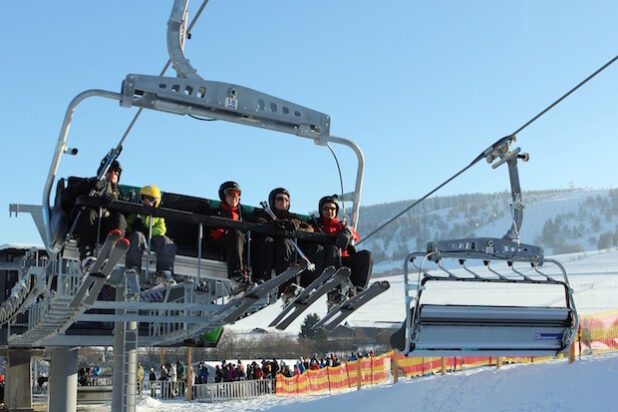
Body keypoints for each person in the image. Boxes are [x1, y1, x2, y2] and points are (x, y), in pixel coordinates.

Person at [252, 188, 322, 301]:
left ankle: (288, 287)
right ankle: (264, 282)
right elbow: (260, 224)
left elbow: (309, 228)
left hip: (286, 253)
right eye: (280, 199)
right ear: (272, 201)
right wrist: (274, 225)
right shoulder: (265, 215)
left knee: (286, 243)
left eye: (286, 200)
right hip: (269, 252)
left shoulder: (293, 218)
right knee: (272, 241)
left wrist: (294, 225)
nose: (283, 202)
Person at [313, 195, 373, 306]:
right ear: (321, 210)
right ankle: (333, 291)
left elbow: (354, 234)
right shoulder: (316, 225)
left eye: (332, 209)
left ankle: (358, 290)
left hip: (343, 260)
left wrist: (347, 233)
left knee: (366, 255)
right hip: (327, 262)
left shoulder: (341, 225)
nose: (329, 211)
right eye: (326, 209)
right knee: (332, 249)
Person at [71, 159, 127, 260]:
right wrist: (89, 185)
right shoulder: (91, 184)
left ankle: (113, 243)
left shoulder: (119, 194)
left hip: (106, 228)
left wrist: (115, 201)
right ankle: (87, 252)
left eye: (116, 172)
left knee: (119, 217)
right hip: (91, 227)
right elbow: (68, 195)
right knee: (89, 213)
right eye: (110, 170)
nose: (113, 174)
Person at [125, 185, 177, 285]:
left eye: (151, 199)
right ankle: (133, 267)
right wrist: (133, 227)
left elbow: (161, 229)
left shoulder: (158, 214)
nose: (147, 201)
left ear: (156, 201)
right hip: (140, 236)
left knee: (166, 241)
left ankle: (164, 270)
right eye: (144, 198)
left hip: (152, 236)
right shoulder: (136, 212)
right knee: (136, 237)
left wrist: (149, 231)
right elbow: (128, 223)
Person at [207, 181, 250, 289]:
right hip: (222, 244)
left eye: (237, 193)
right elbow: (212, 233)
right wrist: (226, 230)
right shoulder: (217, 213)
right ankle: (236, 276)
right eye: (231, 193)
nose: (235, 196)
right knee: (235, 233)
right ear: (223, 195)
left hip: (240, 245)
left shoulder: (243, 215)